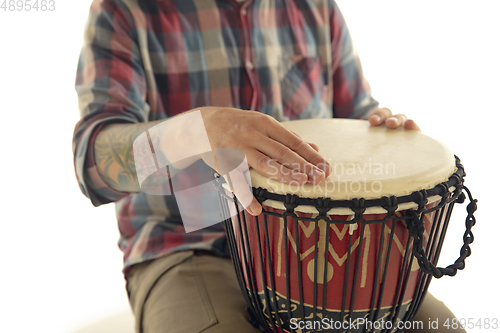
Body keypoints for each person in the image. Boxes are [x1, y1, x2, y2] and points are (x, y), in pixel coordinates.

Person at [72, 0, 464, 332]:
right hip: (187, 243)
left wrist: (380, 133)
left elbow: (353, 116)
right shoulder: (125, 9)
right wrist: (195, 131)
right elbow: (93, 163)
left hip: (322, 242)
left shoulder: (314, 7)